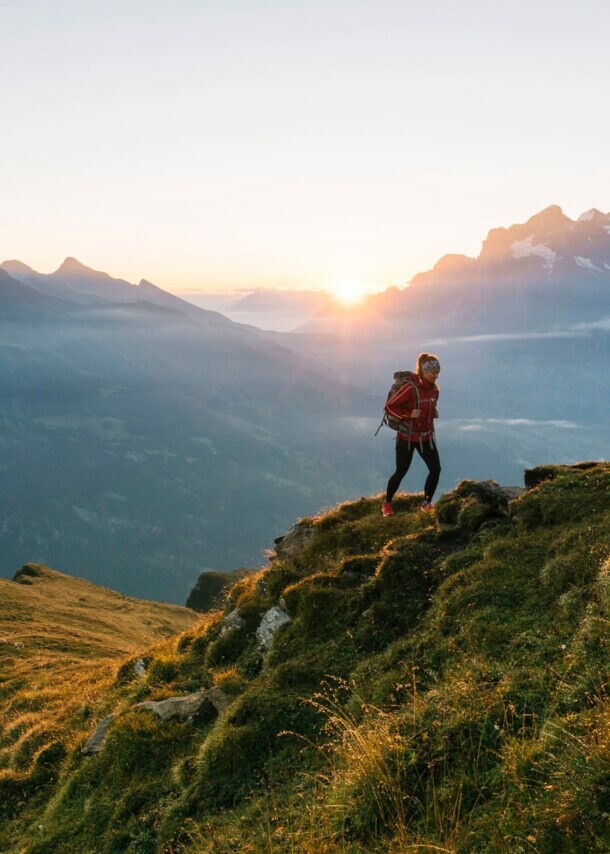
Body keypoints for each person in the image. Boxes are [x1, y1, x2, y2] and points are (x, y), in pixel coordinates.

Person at [382, 353, 441, 516]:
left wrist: (433, 412)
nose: (436, 376)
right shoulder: (410, 388)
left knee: (436, 469)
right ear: (423, 371)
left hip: (426, 438)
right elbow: (389, 407)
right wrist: (408, 414)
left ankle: (426, 503)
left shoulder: (434, 390)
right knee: (401, 471)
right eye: (433, 373)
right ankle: (387, 502)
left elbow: (429, 406)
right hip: (406, 438)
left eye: (437, 373)